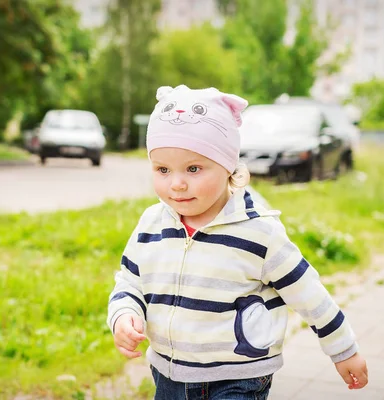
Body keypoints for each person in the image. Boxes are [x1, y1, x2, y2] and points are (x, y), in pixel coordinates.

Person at [107, 85, 368, 399]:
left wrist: (343, 349)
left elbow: (308, 292)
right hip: (169, 374)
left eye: (193, 168)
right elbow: (129, 281)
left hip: (239, 377)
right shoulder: (152, 223)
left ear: (228, 165)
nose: (177, 183)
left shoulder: (258, 231)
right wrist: (124, 314)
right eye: (162, 169)